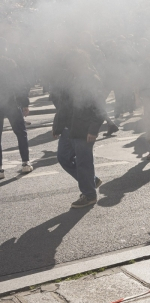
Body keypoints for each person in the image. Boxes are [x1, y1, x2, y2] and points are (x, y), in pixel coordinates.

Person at [53, 49, 106, 208]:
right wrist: (57, 126)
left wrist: (93, 129)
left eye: (72, 63)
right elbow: (63, 106)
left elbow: (99, 108)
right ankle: (92, 181)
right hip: (69, 128)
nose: (69, 67)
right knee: (63, 158)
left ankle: (89, 195)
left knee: (84, 163)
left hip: (83, 129)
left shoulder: (92, 80)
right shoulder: (70, 79)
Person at [0, 54, 33, 179]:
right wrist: (24, 104)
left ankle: (0, 169)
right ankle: (25, 162)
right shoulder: (11, 64)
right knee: (21, 133)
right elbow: (20, 85)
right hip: (11, 104)